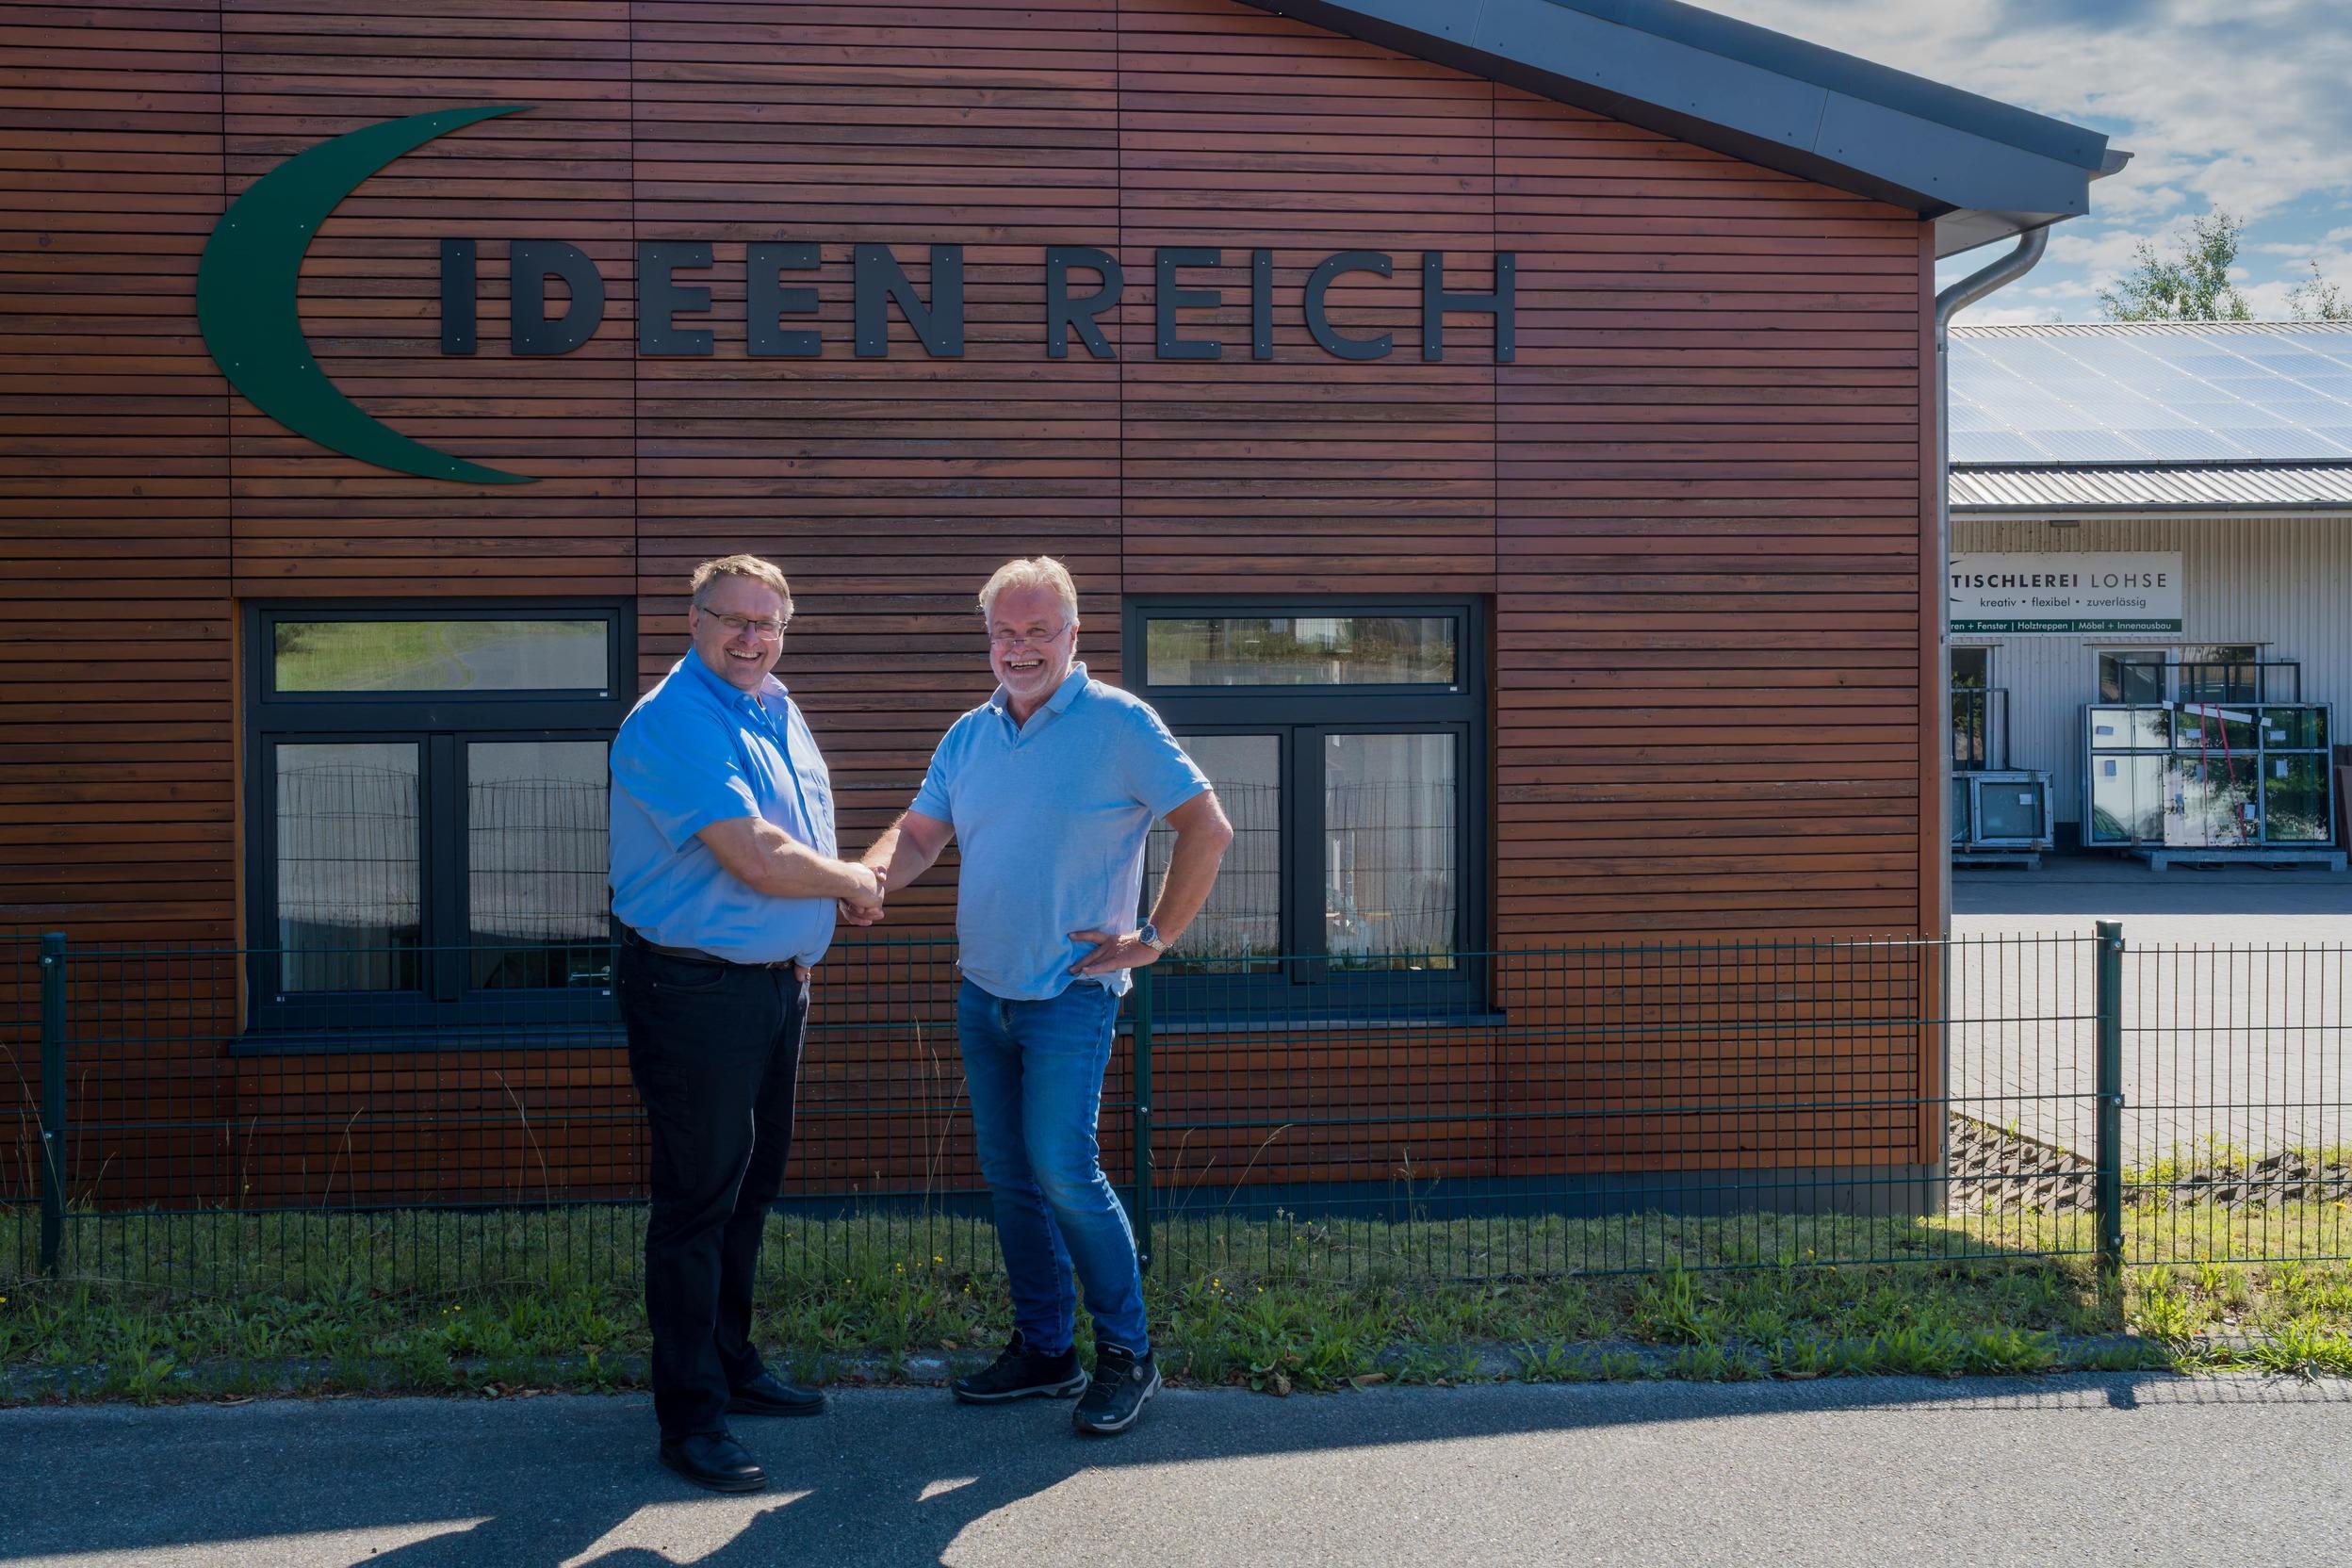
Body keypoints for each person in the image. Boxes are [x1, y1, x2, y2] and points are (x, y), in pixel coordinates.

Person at [853, 556, 1232, 1435]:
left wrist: (1155, 937)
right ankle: (1045, 1350)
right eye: (1004, 633)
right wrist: (867, 876)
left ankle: (1128, 1356)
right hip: (981, 991)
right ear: (988, 638)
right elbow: (916, 837)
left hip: (1069, 996)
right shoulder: (971, 734)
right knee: (1012, 1178)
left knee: (1065, 1172)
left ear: (1073, 635)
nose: (1019, 649)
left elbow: (1207, 829)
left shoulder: (1120, 723)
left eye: (1038, 632)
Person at [608, 553, 885, 1494]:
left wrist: (802, 939)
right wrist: (847, 883)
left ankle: (731, 1363)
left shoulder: (776, 703)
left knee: (749, 1189)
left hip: (771, 987)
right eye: (732, 618)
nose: (750, 636)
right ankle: (690, 1418)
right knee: (695, 1204)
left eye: (766, 622)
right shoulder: (675, 718)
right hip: (693, 994)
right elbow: (757, 853)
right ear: (693, 621)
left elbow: (795, 826)